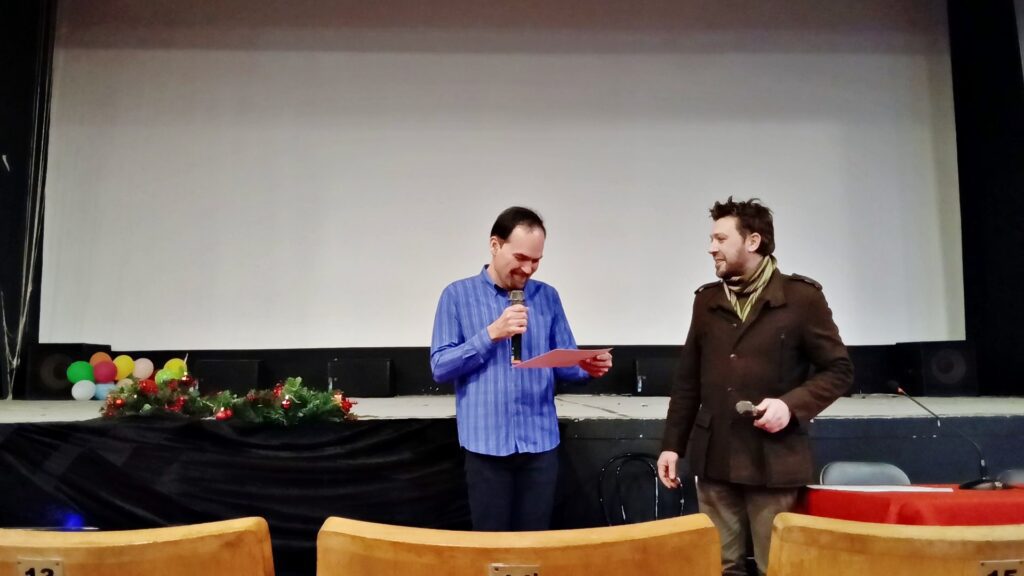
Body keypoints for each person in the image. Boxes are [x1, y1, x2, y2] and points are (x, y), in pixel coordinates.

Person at [657, 197, 852, 576]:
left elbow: (839, 370)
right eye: (711, 239)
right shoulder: (707, 300)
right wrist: (671, 445)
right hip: (715, 457)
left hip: (774, 460)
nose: (711, 247)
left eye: (720, 239)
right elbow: (687, 381)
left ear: (753, 241)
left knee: (776, 566)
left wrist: (790, 406)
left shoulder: (801, 298)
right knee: (719, 567)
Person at [431, 206, 613, 531]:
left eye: (536, 260)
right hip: (486, 446)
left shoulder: (547, 297)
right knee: (493, 547)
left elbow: (565, 365)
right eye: (520, 258)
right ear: (495, 245)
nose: (528, 269)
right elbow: (440, 367)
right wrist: (491, 334)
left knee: (535, 544)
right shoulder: (456, 296)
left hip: (540, 445)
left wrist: (586, 366)